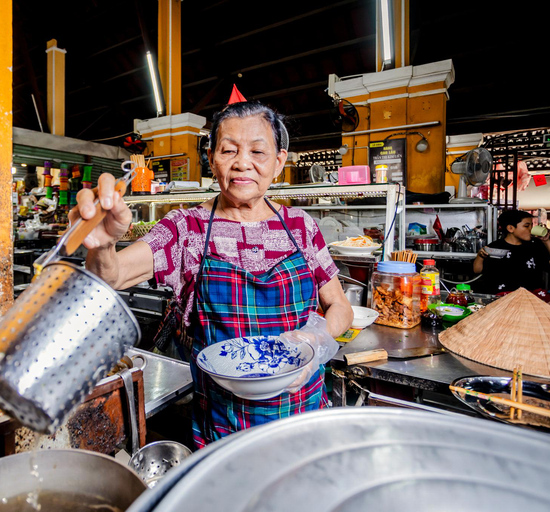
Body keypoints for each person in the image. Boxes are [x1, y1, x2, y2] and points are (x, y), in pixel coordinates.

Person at [72, 100, 353, 448]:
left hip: (305, 420)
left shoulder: (302, 227)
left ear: (279, 162)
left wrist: (317, 340)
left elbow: (340, 306)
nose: (242, 163)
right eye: (228, 150)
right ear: (212, 158)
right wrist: (101, 247)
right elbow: (112, 276)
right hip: (223, 430)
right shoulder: (187, 228)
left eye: (258, 151)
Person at [474, 209, 550, 325]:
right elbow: (477, 270)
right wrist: (480, 256)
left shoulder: (535, 245)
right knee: (527, 323)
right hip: (505, 295)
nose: (531, 229)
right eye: (526, 226)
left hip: (534, 293)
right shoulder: (495, 247)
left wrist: (546, 241)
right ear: (510, 228)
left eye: (531, 225)